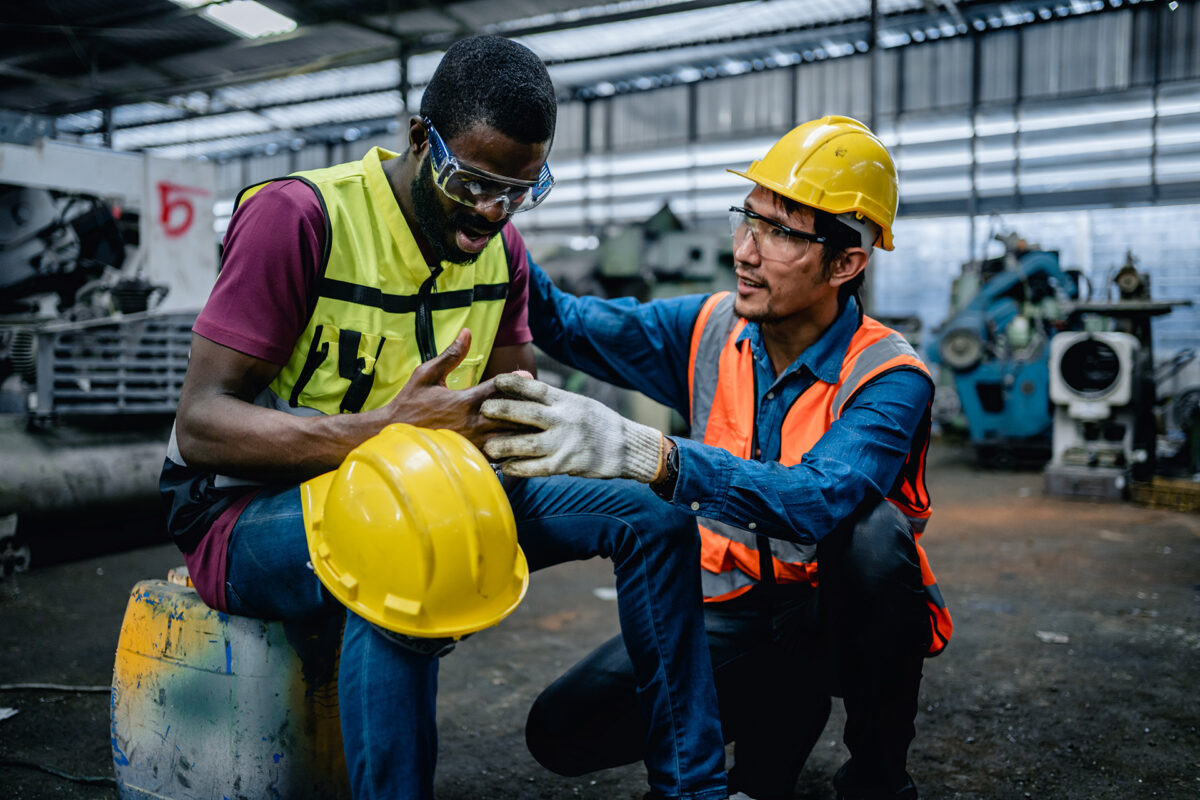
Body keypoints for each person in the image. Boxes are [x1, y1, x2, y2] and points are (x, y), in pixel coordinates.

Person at [160, 35, 727, 800]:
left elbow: (514, 398)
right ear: (421, 140)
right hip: (246, 510)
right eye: (472, 182)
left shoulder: (504, 249)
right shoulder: (300, 219)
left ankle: (692, 789)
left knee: (654, 522)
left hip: (434, 486)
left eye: (519, 189)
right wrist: (383, 433)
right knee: (406, 544)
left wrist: (545, 425)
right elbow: (201, 426)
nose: (490, 214)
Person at [482, 116, 954, 800]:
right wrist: (497, 207)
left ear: (847, 263)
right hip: (735, 609)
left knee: (875, 540)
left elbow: (816, 502)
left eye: (782, 233)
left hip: (837, 615)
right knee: (562, 731)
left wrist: (651, 454)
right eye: (748, 220)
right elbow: (566, 323)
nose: (746, 251)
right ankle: (781, 708)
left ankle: (877, 773)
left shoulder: (888, 375)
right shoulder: (709, 327)